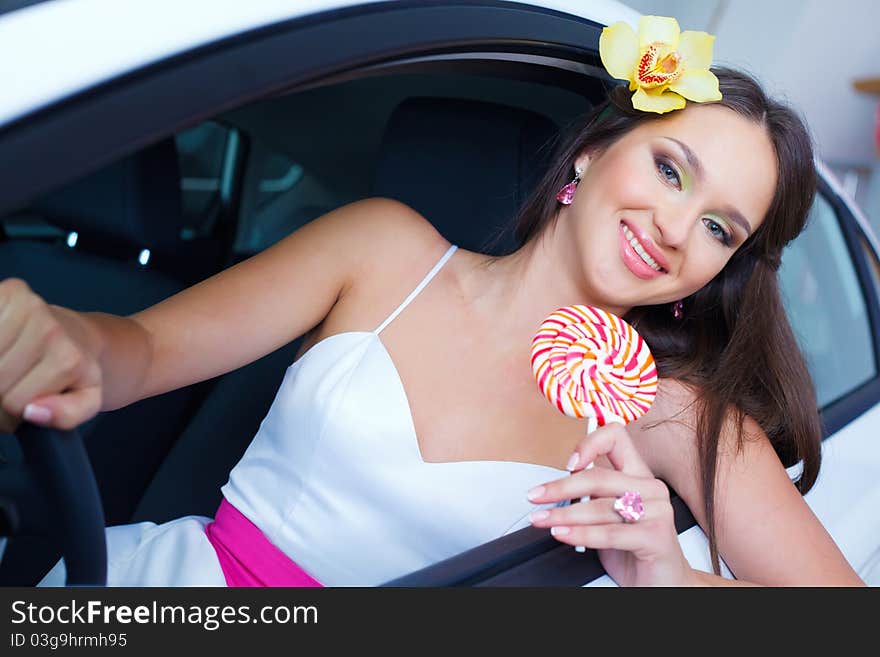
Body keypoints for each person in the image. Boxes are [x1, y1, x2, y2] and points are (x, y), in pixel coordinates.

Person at [0, 16, 866, 586]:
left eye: (719, 230)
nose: (676, 228)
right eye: (670, 170)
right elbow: (141, 351)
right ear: (592, 155)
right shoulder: (384, 248)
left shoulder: (663, 410)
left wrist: (672, 580)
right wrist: (66, 338)